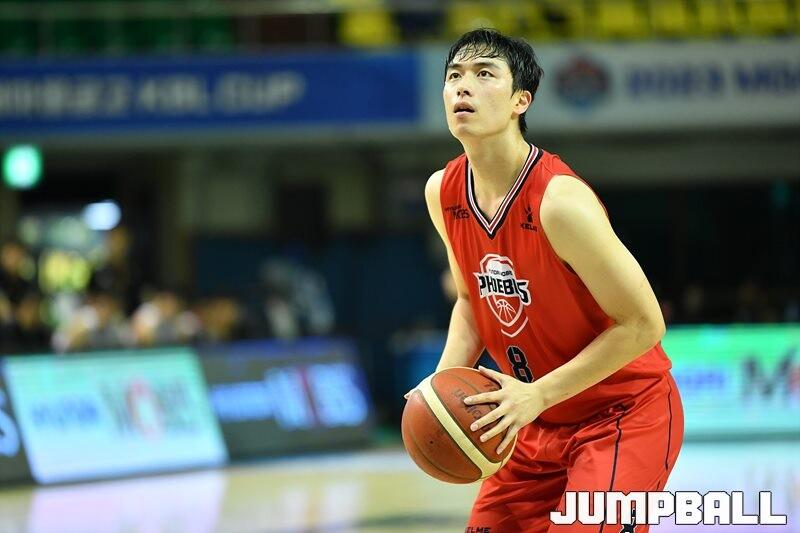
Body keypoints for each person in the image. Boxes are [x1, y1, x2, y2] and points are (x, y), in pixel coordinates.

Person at [416, 29, 684, 532]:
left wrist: (537, 394)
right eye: (453, 76)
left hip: (622, 413)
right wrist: (440, 386)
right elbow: (471, 301)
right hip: (532, 421)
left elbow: (644, 324)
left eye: (484, 74)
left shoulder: (559, 203)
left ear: (521, 100)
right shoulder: (443, 191)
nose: (462, 87)